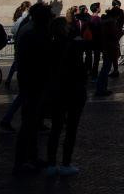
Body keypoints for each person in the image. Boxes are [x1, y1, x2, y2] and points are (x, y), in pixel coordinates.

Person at [45, 16, 88, 176]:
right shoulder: (72, 45)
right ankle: (65, 163)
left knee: (56, 128)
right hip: (73, 90)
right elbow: (80, 68)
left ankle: (50, 163)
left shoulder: (50, 45)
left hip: (57, 90)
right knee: (71, 128)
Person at [13, 3, 53, 174]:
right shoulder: (35, 36)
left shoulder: (34, 34)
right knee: (29, 124)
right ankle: (22, 161)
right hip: (34, 85)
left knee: (33, 123)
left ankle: (31, 157)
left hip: (33, 85)